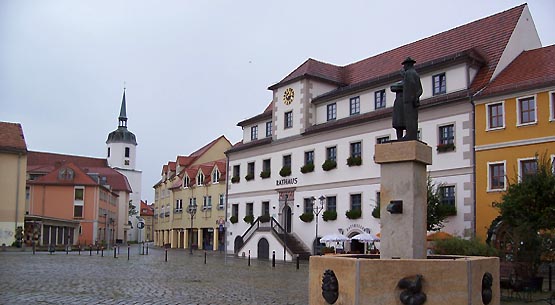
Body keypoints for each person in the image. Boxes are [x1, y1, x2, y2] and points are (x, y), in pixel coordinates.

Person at [401, 57, 422, 141]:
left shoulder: (409, 73)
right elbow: (420, 89)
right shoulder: (416, 74)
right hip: (413, 100)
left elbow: (412, 84)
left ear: (408, 65)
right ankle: (413, 135)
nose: (403, 67)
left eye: (404, 65)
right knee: (414, 119)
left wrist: (412, 96)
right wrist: (416, 97)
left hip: (409, 100)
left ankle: (409, 135)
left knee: (409, 118)